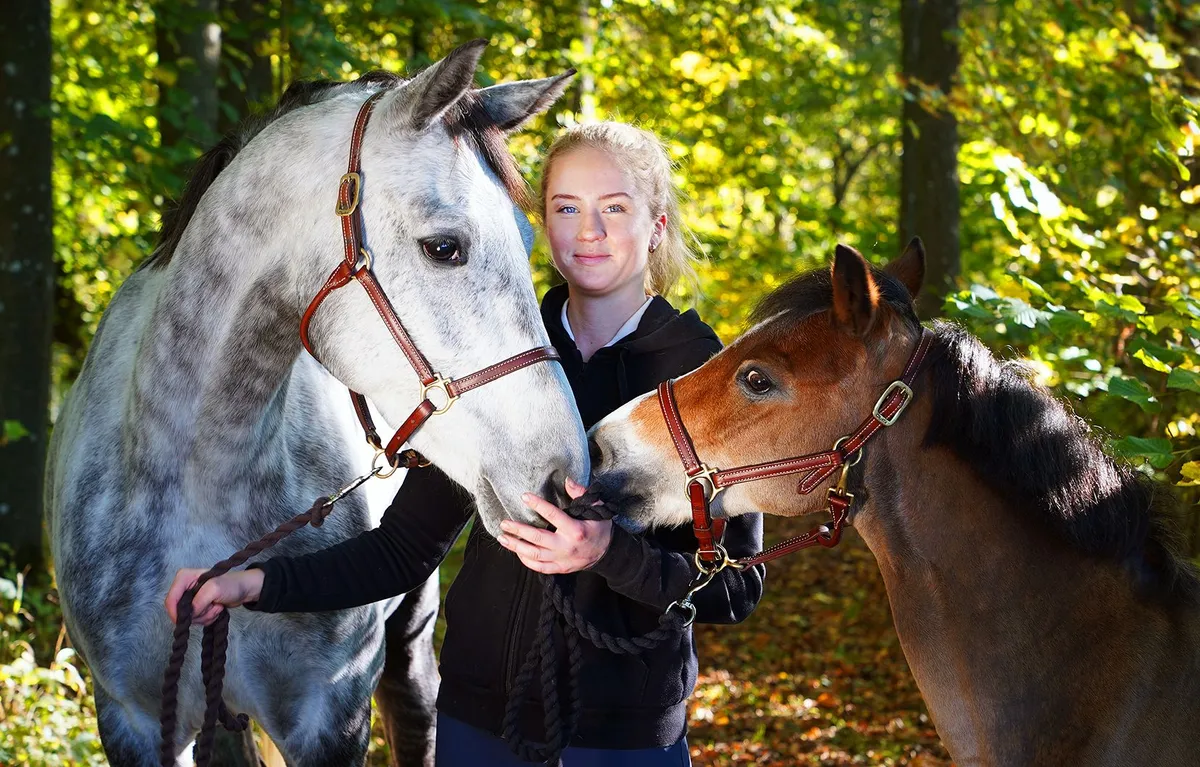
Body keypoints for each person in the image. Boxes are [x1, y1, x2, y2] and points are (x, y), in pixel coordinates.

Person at [167, 121, 766, 766]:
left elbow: (734, 588)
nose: (589, 230)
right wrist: (251, 584)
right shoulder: (497, 359)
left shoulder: (705, 375)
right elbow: (402, 550)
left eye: (614, 208)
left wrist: (607, 554)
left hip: (622, 738)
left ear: (657, 226)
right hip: (478, 725)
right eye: (567, 208)